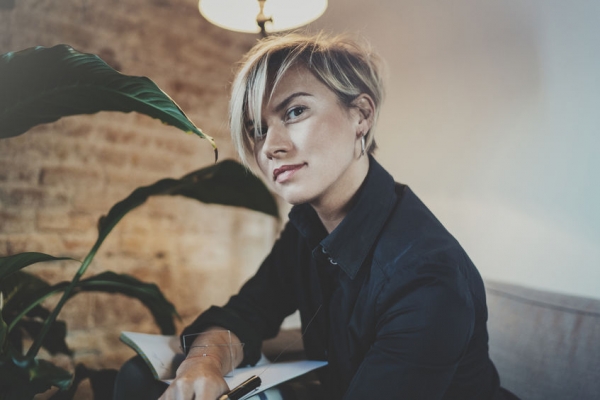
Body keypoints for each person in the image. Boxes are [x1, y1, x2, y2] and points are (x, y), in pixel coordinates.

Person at [115, 32, 518, 400]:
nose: (270, 146)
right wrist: (201, 363)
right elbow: (247, 312)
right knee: (140, 379)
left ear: (361, 115)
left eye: (294, 112)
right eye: (257, 128)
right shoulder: (309, 227)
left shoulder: (426, 276)